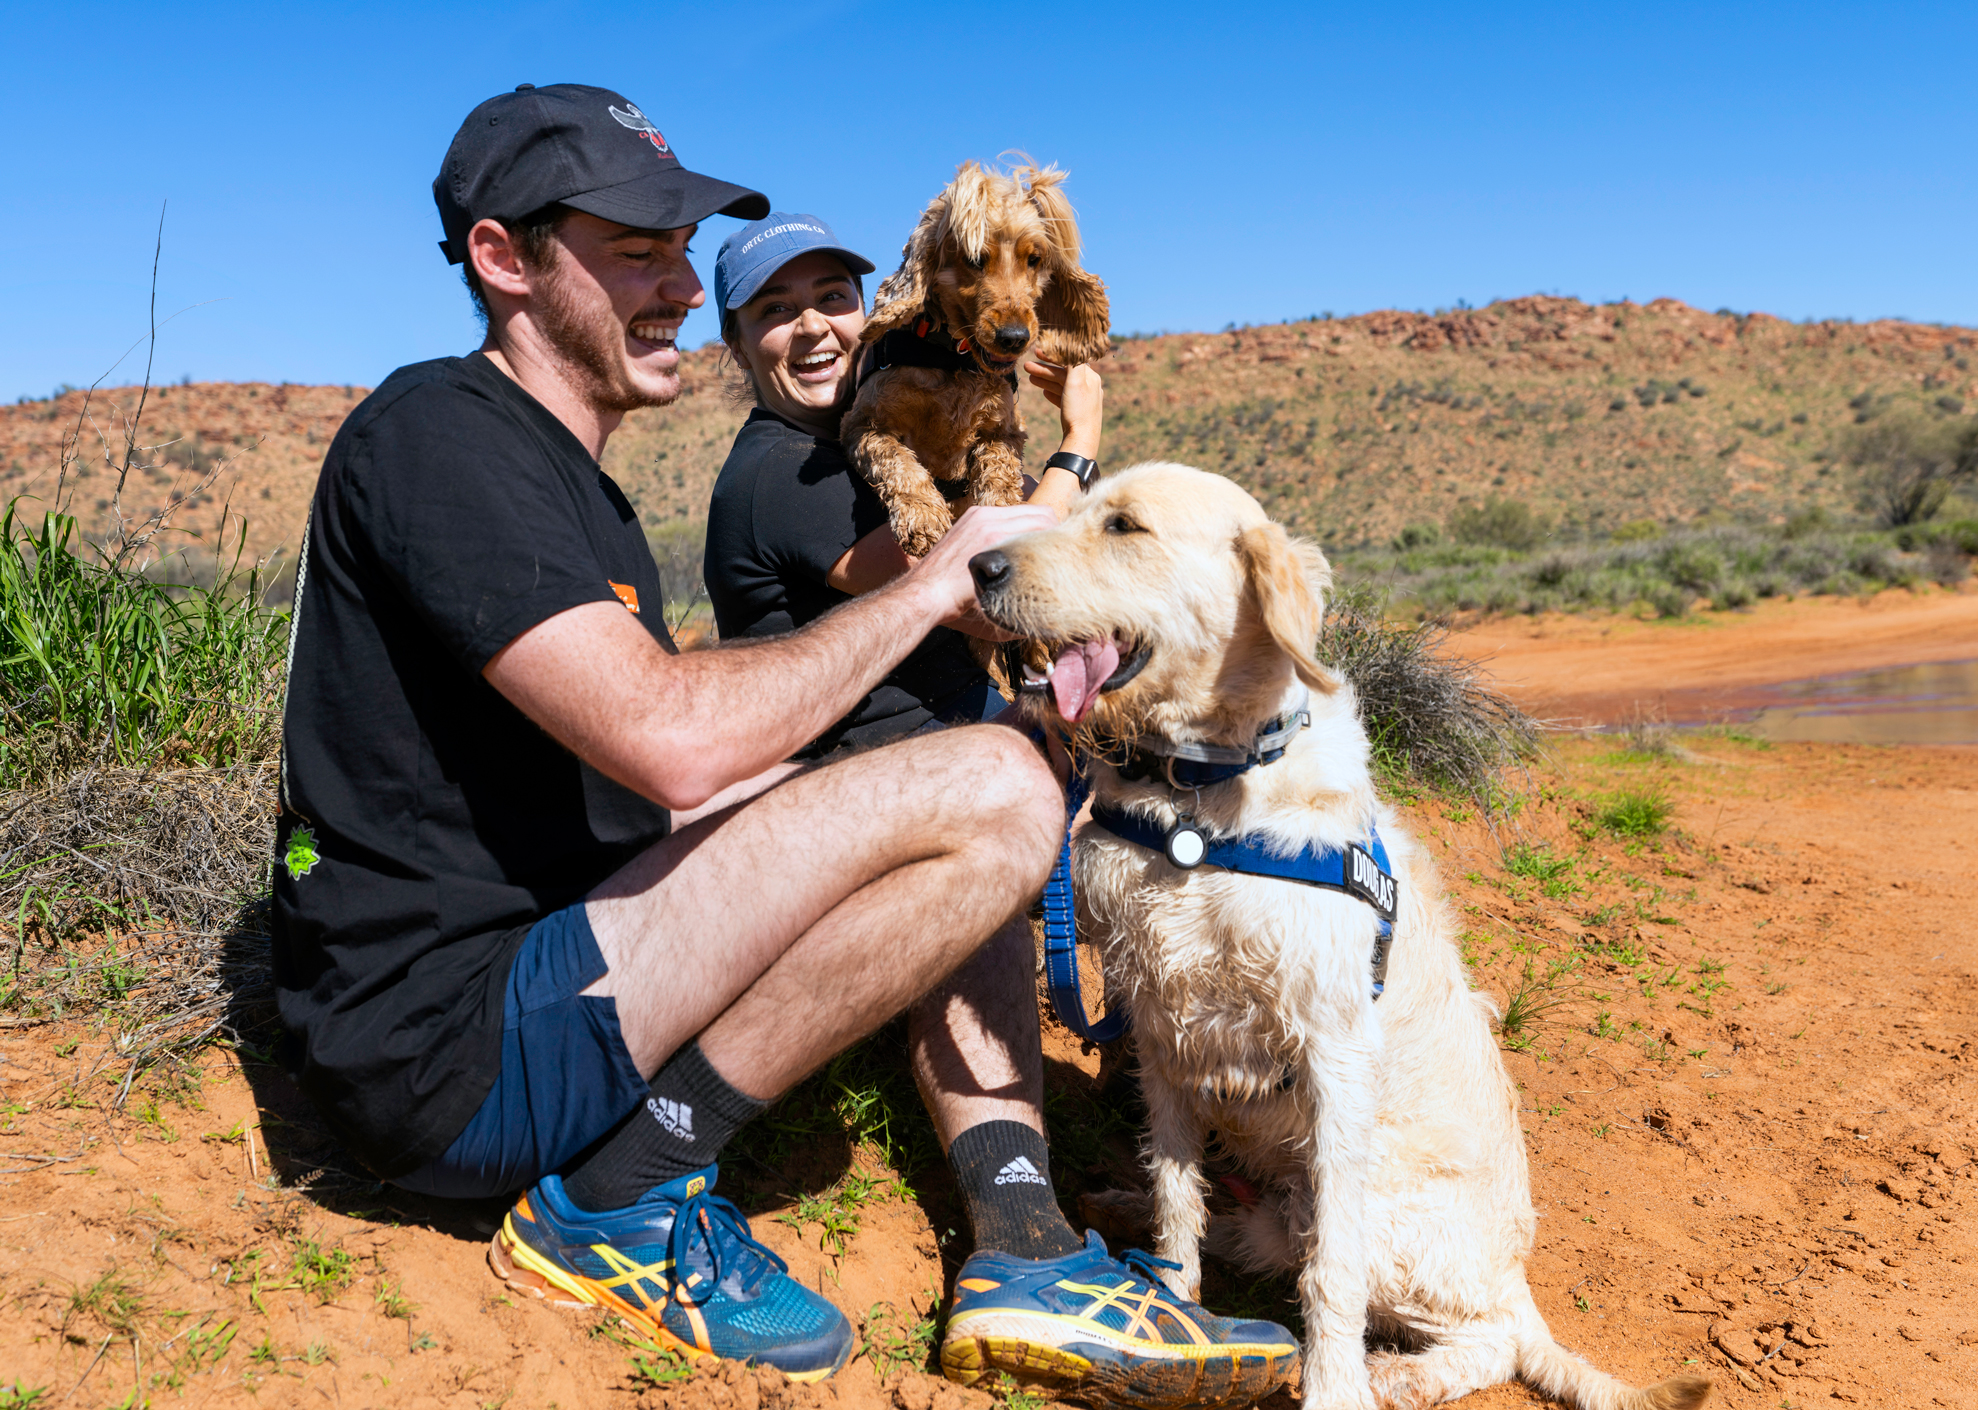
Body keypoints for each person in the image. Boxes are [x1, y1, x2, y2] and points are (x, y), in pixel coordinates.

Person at [273, 82, 1295, 1405]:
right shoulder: (435, 437)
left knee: (967, 783)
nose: (682, 289)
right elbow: (670, 746)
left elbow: (617, 768)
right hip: (449, 1050)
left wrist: (859, 800)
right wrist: (936, 587)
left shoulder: (570, 486)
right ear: (503, 259)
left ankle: (1026, 1238)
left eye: (682, 254)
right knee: (989, 784)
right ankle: (620, 1199)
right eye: (636, 252)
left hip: (550, 952)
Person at [703, 214, 1104, 755]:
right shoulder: (779, 471)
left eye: (833, 297)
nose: (813, 325)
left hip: (957, 750)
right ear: (736, 343)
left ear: (866, 309)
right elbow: (995, 604)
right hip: (867, 789)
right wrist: (1079, 445)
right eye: (775, 308)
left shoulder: (873, 447)